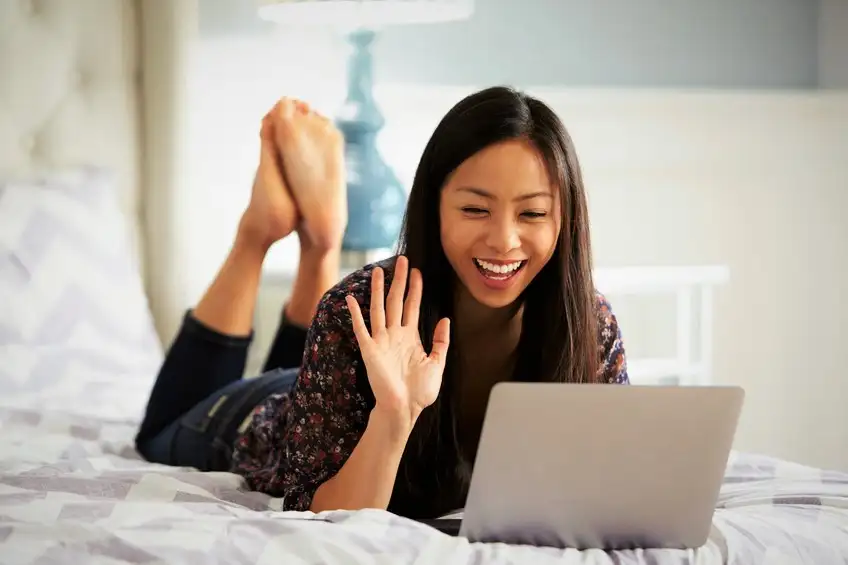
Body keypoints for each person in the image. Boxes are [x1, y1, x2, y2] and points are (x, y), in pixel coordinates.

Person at [135, 86, 629, 521]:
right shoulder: (354, 306)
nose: (504, 240)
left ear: (566, 218)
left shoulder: (590, 325)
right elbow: (320, 518)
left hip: (324, 390)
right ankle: (260, 234)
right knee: (156, 434)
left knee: (316, 364)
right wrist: (396, 409)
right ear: (432, 206)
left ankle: (320, 242)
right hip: (258, 418)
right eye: (474, 209)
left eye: (534, 213)